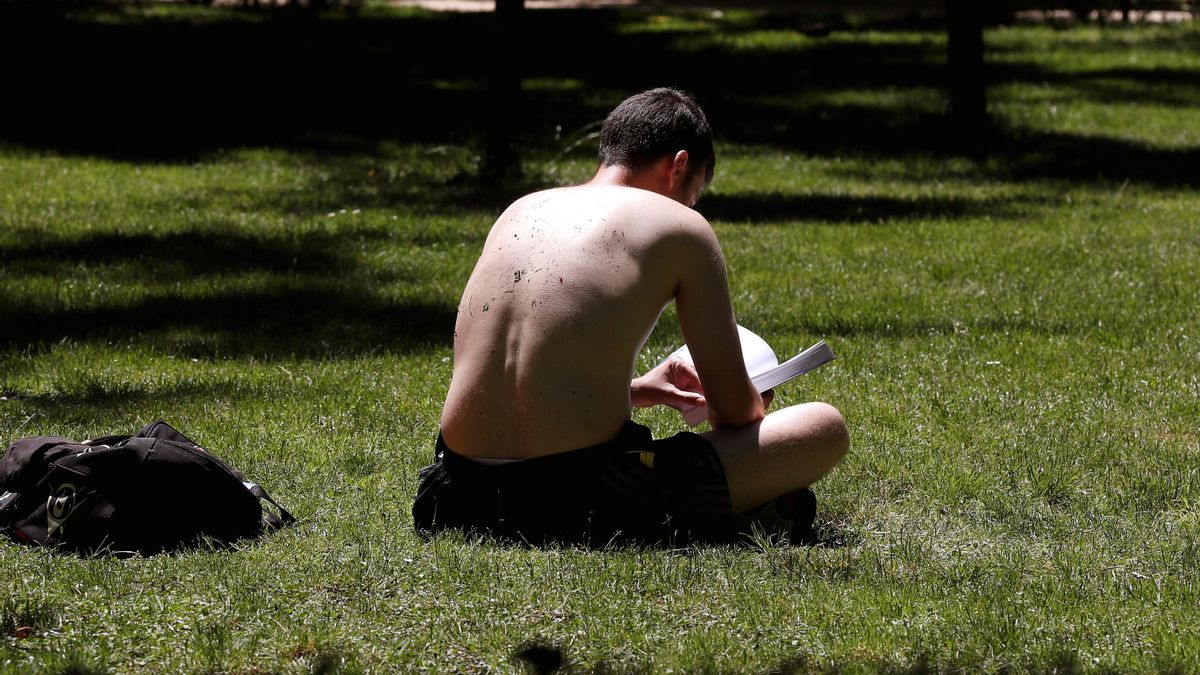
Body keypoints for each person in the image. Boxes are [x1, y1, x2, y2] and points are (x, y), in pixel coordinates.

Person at [412, 88, 848, 546]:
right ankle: (749, 511)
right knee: (823, 425)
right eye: (693, 194)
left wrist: (637, 390)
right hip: (582, 502)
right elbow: (735, 416)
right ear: (678, 164)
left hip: (455, 494)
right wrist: (756, 396)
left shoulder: (521, 209)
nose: (688, 208)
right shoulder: (680, 227)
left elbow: (515, 376)